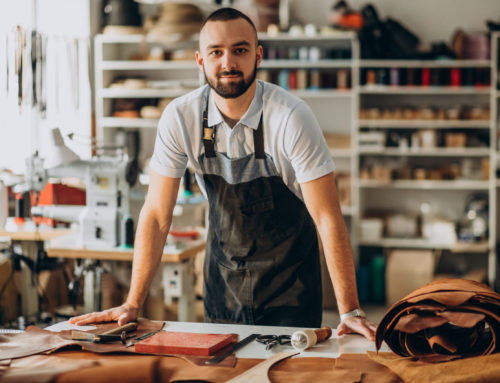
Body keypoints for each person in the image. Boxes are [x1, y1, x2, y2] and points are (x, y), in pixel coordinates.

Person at [70, 7, 376, 340]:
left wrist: (351, 310)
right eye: (216, 52)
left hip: (291, 289)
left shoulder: (291, 117)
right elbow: (157, 214)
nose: (228, 62)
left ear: (258, 56)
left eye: (240, 50)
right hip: (223, 286)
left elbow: (328, 216)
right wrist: (133, 302)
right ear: (200, 60)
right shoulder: (180, 118)